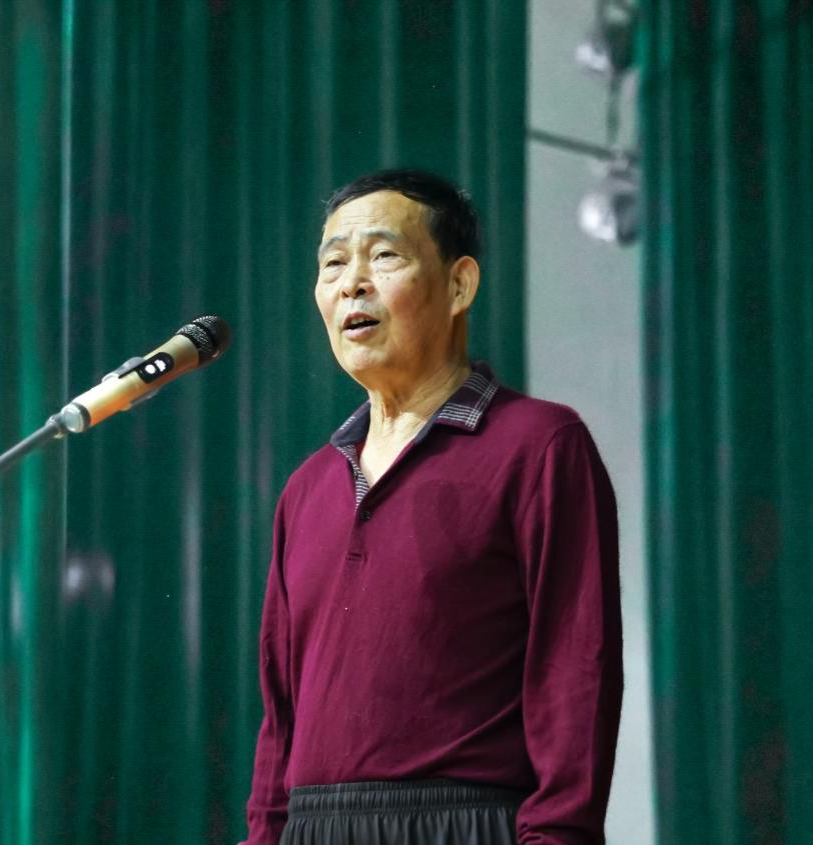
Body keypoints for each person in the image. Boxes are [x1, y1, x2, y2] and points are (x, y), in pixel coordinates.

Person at [242, 169, 622, 845]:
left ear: (459, 285)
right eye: (333, 264)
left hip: (464, 822)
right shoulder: (306, 489)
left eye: (384, 256)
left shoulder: (537, 445)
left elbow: (576, 671)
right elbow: (281, 716)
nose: (352, 284)